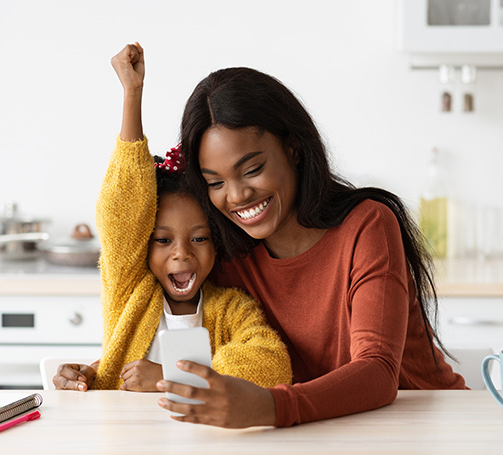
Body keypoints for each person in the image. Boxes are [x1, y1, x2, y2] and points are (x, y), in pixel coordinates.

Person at [153, 66, 467, 427]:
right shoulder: (226, 254)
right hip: (322, 432)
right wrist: (101, 371)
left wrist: (270, 407)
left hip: (427, 425)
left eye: (252, 169)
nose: (237, 196)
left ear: (293, 148)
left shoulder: (368, 226)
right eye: (215, 182)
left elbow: (378, 372)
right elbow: (160, 314)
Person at [52, 43, 291, 392]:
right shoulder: (130, 292)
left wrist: (170, 377)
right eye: (163, 240)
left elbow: (271, 364)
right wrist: (132, 94)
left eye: (199, 238)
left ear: (217, 242)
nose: (181, 253)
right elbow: (123, 211)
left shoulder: (231, 309)